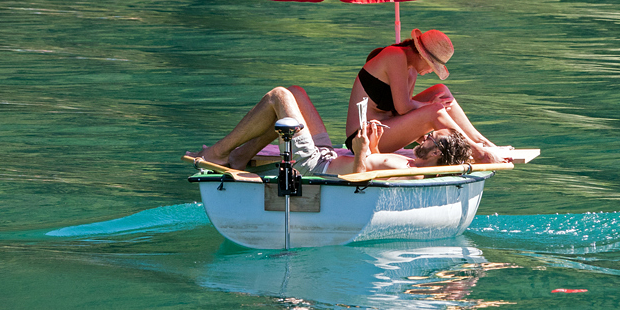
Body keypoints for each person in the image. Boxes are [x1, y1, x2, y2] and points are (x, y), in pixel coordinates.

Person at [188, 85, 471, 176]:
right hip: (326, 155)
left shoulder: (412, 171)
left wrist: (361, 153)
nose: (424, 137)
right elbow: (372, 166)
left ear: (436, 152)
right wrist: (371, 145)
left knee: (280, 96)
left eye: (431, 137)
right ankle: (238, 157)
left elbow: (360, 184)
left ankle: (218, 152)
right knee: (295, 94)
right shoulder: (408, 161)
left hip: (315, 164)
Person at [345, 29, 511, 164]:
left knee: (441, 90)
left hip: (387, 127)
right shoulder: (394, 55)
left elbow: (402, 112)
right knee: (435, 109)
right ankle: (479, 153)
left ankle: (484, 143)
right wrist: (430, 107)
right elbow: (404, 107)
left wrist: (427, 128)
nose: (432, 70)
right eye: (432, 65)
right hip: (364, 137)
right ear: (421, 55)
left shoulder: (411, 69)